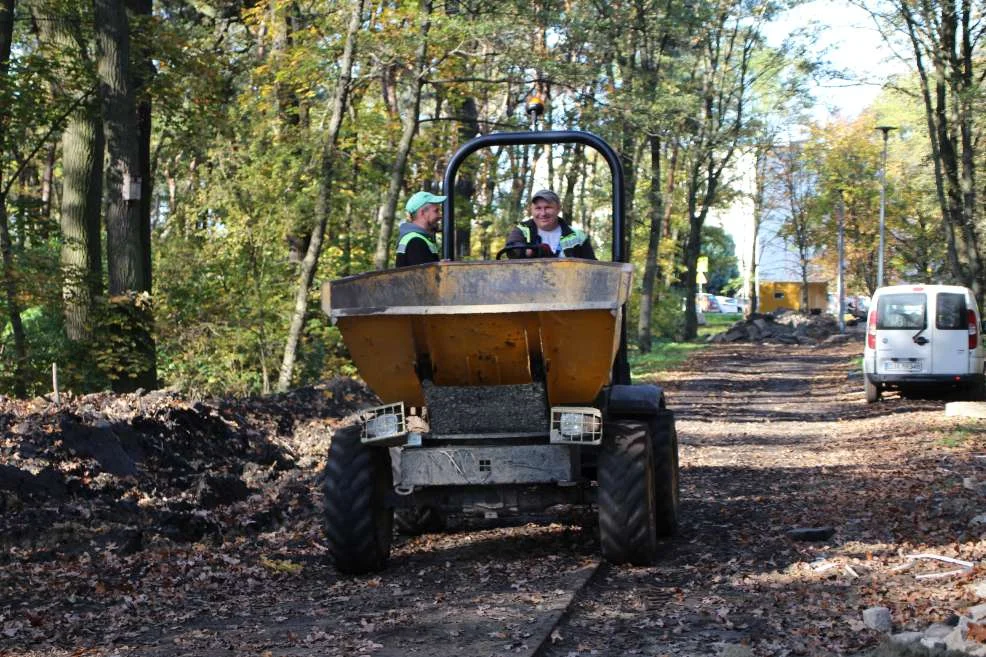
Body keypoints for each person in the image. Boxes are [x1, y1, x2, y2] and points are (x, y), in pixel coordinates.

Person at [505, 189, 595, 259]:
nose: (543, 213)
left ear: (558, 208)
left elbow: (592, 266)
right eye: (538, 208)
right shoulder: (522, 229)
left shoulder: (578, 236)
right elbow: (512, 251)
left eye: (548, 207)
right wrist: (533, 251)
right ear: (531, 210)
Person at [395, 191, 446, 267]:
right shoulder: (415, 241)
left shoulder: (418, 238)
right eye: (436, 211)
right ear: (422, 213)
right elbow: (423, 276)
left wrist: (440, 265)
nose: (440, 216)